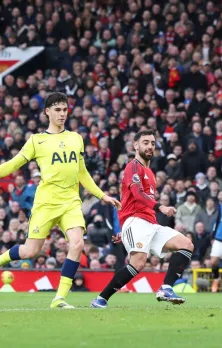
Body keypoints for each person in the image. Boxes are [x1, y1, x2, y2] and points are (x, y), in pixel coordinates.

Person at [0, 92, 121, 308]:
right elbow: (14, 164)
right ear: (47, 112)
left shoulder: (76, 138)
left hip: (71, 202)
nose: (62, 114)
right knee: (30, 251)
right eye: (57, 109)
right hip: (45, 203)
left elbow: (82, 173)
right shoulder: (37, 140)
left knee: (77, 243)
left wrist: (103, 196)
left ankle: (59, 298)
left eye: (65, 109)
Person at [91, 129, 194, 308]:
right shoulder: (133, 166)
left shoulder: (150, 173)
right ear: (136, 145)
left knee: (186, 245)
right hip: (135, 220)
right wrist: (160, 207)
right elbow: (137, 194)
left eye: (153, 143)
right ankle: (101, 299)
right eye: (145, 142)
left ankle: (166, 288)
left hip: (150, 223)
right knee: (138, 263)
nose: (150, 146)